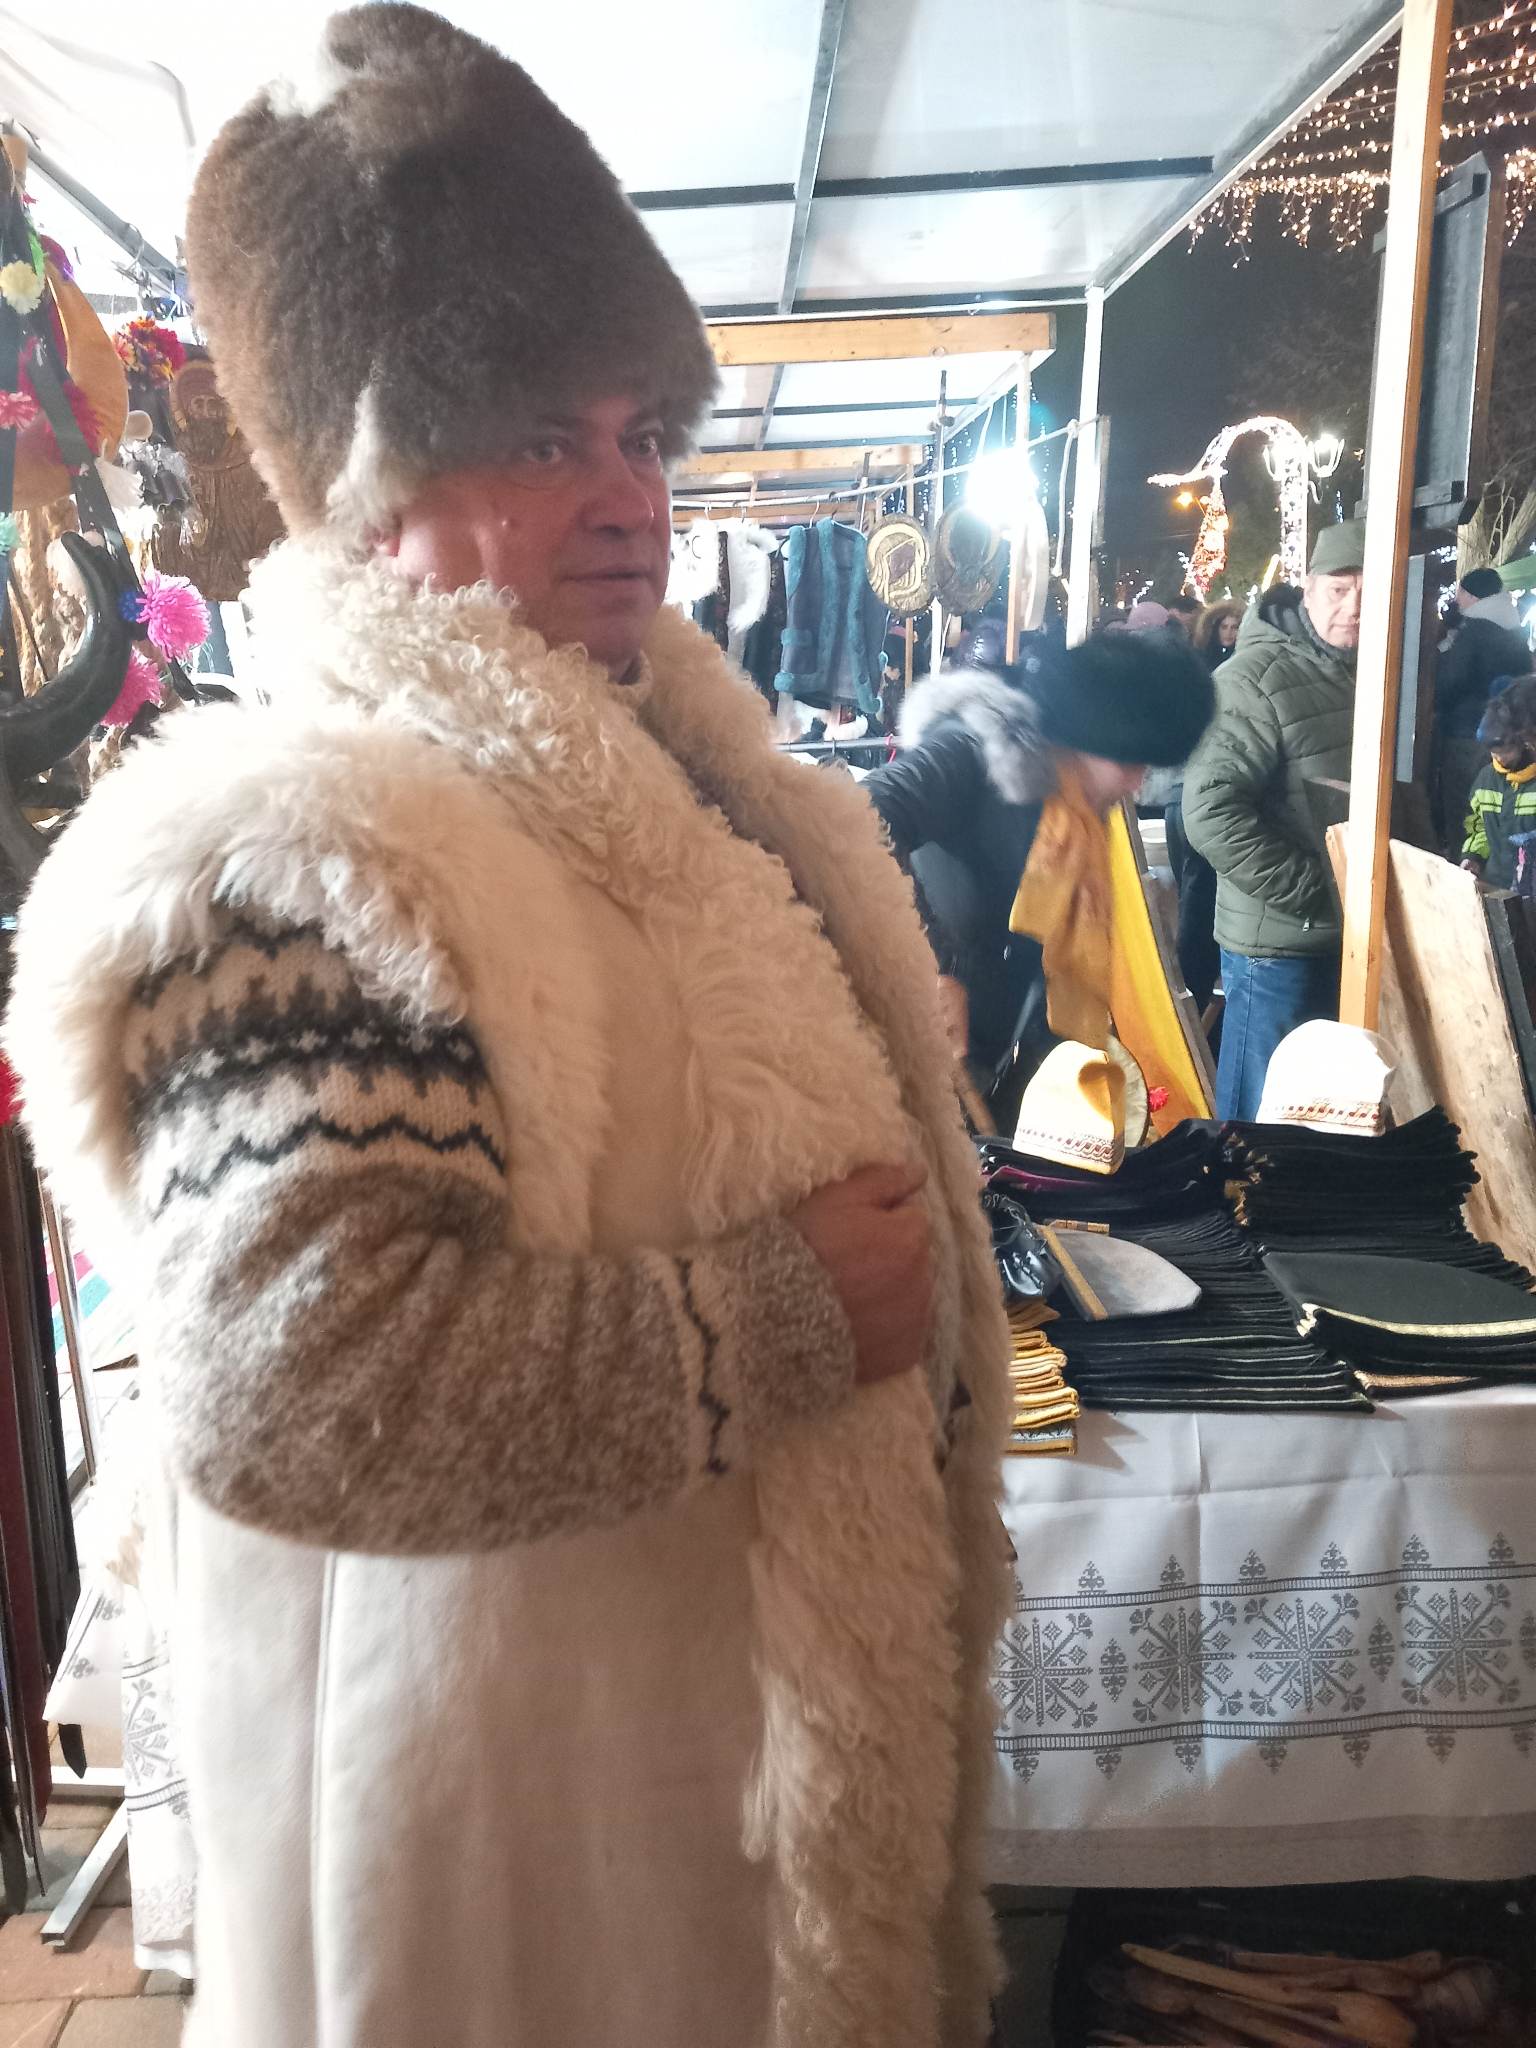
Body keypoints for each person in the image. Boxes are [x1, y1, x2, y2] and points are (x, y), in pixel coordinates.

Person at [3, 11, 1012, 2046]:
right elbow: (303, 1392)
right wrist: (779, 1310)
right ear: (373, 480)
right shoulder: (317, 851)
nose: (629, 496)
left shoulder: (694, 787)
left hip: (710, 1791)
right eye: (545, 439)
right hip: (525, 1849)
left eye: (643, 434)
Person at [863, 624, 1214, 1129]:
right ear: (1089, 736)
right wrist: (930, 964)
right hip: (899, 1045)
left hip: (996, 1054)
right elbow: (860, 817)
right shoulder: (973, 751)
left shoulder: (1075, 811)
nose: (1138, 782)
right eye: (1130, 761)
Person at [1183, 521, 1366, 1121]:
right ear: (1307, 589)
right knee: (1257, 1126)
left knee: (1330, 1122)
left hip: (1355, 940)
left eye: (1369, 590)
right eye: (1339, 589)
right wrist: (1316, 891)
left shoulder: (1381, 673)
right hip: (1279, 948)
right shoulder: (1252, 679)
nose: (1354, 607)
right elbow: (1210, 812)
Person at [1436, 565, 1532, 854]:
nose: (1457, 599)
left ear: (1472, 596)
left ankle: (1466, 863)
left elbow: (1450, 682)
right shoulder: (1515, 630)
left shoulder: (1474, 631)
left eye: (1461, 593)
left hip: (1468, 734)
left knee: (1464, 805)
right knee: (1500, 804)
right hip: (1512, 736)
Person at [1461, 675, 1536, 894]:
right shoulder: (1486, 780)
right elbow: (1478, 826)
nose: (1501, 759)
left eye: (1507, 751)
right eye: (1495, 753)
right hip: (1496, 885)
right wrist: (1473, 856)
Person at [1192, 599, 1244, 671]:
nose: (1228, 632)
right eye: (1224, 627)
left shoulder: (1244, 657)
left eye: (1234, 627)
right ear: (1215, 629)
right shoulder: (1199, 657)